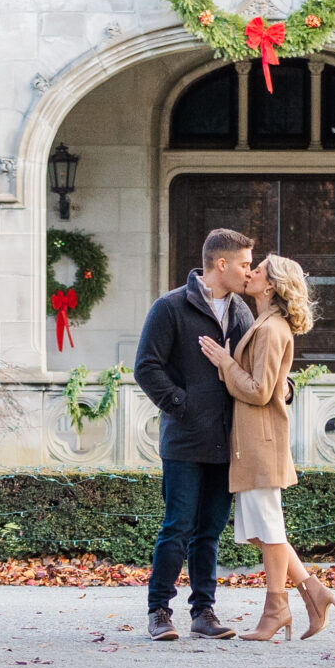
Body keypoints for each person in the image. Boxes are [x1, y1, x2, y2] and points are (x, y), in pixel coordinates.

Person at [198, 254, 335, 641]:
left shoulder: (272, 328)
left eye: (257, 269)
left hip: (261, 440)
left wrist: (226, 364)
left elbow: (260, 392)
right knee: (263, 532)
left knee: (270, 530)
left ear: (272, 284)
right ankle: (313, 591)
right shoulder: (262, 323)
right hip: (253, 441)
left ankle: (276, 608)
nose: (250, 272)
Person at [133, 227, 255, 640]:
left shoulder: (242, 312)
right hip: (184, 440)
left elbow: (253, 368)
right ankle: (158, 612)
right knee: (177, 526)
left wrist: (283, 388)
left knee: (210, 531)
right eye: (244, 264)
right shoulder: (169, 307)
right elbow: (146, 367)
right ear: (221, 264)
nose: (248, 272)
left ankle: (204, 612)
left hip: (228, 442)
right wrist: (182, 406)